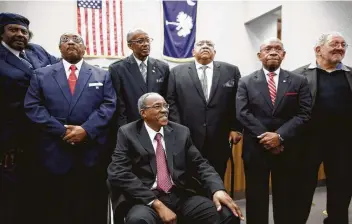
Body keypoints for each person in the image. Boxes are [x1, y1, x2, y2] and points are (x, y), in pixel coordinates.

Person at [107, 92, 244, 224]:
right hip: (146, 198)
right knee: (139, 221)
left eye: (165, 106)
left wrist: (217, 189)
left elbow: (201, 164)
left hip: (179, 194)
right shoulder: (127, 133)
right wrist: (157, 204)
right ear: (143, 113)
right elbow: (118, 172)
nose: (164, 110)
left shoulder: (181, 132)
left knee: (227, 214)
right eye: (157, 106)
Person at [24, 32, 116, 224]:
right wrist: (62, 131)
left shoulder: (102, 74)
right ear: (59, 49)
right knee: (56, 207)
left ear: (85, 49)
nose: (71, 42)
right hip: (55, 151)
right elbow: (33, 107)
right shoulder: (41, 75)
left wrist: (86, 130)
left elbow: (109, 105)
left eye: (77, 40)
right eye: (65, 41)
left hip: (91, 152)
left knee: (91, 206)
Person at [236, 37, 312, 224]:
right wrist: (268, 139)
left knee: (286, 197)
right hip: (256, 149)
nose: (273, 52)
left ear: (284, 55)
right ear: (259, 55)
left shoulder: (299, 81)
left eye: (278, 49)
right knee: (255, 197)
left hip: (288, 149)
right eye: (268, 48)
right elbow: (242, 113)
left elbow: (304, 113)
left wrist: (280, 136)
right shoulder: (245, 81)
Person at [0, 12, 57, 224]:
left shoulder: (37, 51)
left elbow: (58, 67)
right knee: (14, 197)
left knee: (41, 192)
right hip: (14, 139)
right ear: (2, 33)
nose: (20, 34)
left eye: (23, 31)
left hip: (44, 133)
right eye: (13, 29)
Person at [292, 32, 352, 224]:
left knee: (342, 189)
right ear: (318, 49)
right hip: (308, 143)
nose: (340, 48)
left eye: (343, 45)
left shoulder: (350, 74)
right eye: (334, 44)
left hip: (343, 145)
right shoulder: (298, 75)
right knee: (302, 188)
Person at [166, 39, 242, 179]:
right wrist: (179, 129)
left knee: (217, 176)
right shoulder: (177, 72)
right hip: (188, 136)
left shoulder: (231, 71)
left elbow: (238, 101)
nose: (205, 46)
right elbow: (171, 101)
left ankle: (216, 201)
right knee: (191, 178)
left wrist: (236, 128)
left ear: (215, 52)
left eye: (210, 45)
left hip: (220, 136)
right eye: (201, 45)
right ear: (193, 52)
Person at [109, 28, 170, 129]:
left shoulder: (162, 67)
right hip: (131, 125)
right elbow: (119, 104)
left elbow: (167, 97)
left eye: (148, 40)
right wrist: (124, 129)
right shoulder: (117, 69)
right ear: (130, 45)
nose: (146, 44)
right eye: (140, 41)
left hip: (158, 124)